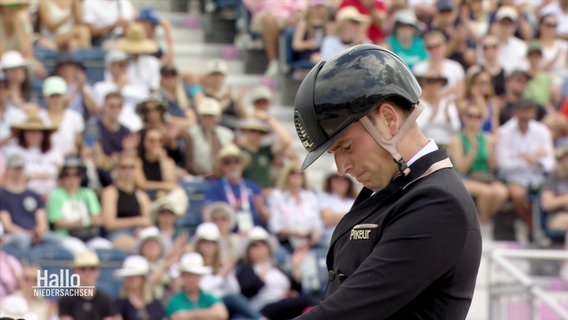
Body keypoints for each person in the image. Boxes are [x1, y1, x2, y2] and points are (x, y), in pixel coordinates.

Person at [293, 44, 481, 319]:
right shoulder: (396, 190)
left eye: (345, 147)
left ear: (387, 119)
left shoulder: (438, 204)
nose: (341, 168)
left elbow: (348, 313)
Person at [58, 250, 120, 320]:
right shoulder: (67, 300)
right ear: (75, 271)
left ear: (98, 271)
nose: (87, 272)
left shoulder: (105, 300)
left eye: (92, 268)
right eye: (82, 268)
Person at [166, 252, 229, 320]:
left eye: (195, 276)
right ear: (182, 277)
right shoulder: (175, 300)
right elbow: (177, 317)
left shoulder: (207, 297)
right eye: (188, 275)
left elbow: (222, 313)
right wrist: (208, 314)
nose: (192, 280)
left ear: (200, 277)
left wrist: (190, 314)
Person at [114, 255, 165, 320]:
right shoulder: (119, 304)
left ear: (142, 278)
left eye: (134, 276)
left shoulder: (155, 304)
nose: (131, 279)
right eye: (128, 277)